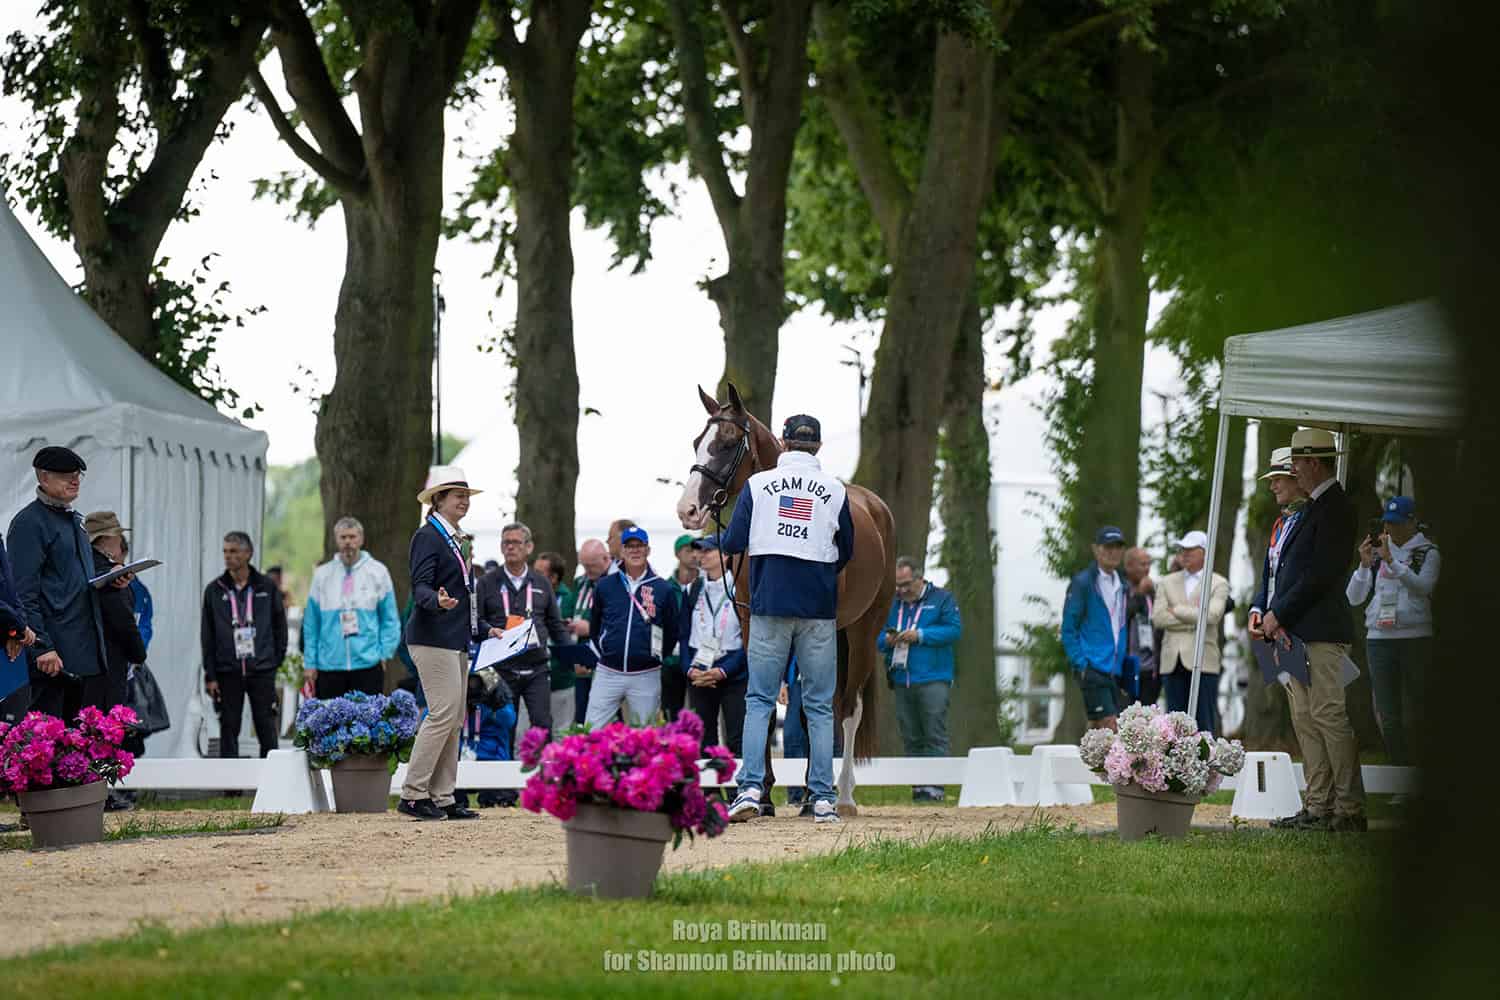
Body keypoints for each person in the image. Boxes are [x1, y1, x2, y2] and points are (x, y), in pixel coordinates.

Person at [718, 414, 854, 825]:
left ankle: (751, 789)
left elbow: (733, 542)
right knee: (818, 705)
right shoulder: (835, 490)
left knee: (759, 700)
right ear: (818, 447)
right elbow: (845, 547)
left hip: (769, 605)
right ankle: (823, 795)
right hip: (816, 608)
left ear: (782, 441)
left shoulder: (758, 486)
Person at [1250, 429, 1364, 832]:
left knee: (1329, 715)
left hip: (1319, 629)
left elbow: (1319, 574)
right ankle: (1319, 804)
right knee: (1306, 717)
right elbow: (1287, 571)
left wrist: (1277, 612)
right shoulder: (1314, 508)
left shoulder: (1334, 507)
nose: (1293, 470)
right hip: (1298, 630)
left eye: (1297, 462)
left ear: (1314, 463)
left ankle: (1348, 808)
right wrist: (1273, 613)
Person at [399, 467, 484, 821]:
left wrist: (486, 626)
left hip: (454, 637)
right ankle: (413, 793)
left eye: (466, 495)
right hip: (432, 637)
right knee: (442, 713)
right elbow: (419, 586)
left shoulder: (456, 538)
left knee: (453, 718)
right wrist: (438, 600)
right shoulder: (428, 537)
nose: (464, 501)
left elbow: (465, 592)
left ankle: (443, 795)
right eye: (456, 495)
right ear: (438, 500)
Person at [7, 446, 112, 720]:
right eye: (66, 475)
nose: (75, 480)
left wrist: (114, 577)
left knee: (78, 748)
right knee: (47, 744)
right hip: (53, 656)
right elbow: (22, 593)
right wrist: (42, 646)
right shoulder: (29, 523)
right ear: (43, 478)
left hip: (83, 651)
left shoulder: (75, 521)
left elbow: (78, 578)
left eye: (77, 475)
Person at [1345, 495, 1438, 768]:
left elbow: (1424, 587)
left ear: (1412, 522)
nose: (1392, 530)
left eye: (1398, 524)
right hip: (1379, 638)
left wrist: (1393, 563)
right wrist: (1364, 565)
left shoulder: (1428, 552)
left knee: (1417, 707)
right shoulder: (1377, 553)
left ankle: (1421, 770)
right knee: (1387, 710)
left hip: (1415, 637)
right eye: (1388, 524)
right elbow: (1353, 597)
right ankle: (1399, 770)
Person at [877, 556, 962, 802]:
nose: (901, 590)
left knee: (934, 732)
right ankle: (918, 788)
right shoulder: (893, 603)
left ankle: (935, 788)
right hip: (902, 677)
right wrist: (887, 640)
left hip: (934, 677)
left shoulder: (942, 599)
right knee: (911, 735)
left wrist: (921, 635)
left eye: (906, 584)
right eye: (897, 585)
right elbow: (877, 635)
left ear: (919, 577)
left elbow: (954, 630)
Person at [476, 522, 569, 738]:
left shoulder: (542, 582)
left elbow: (555, 624)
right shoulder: (487, 583)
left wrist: (570, 654)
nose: (510, 547)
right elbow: (476, 621)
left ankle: (544, 771)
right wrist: (489, 630)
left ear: (529, 547)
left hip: (536, 668)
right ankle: (500, 771)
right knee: (502, 726)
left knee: (543, 724)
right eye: (506, 542)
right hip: (501, 669)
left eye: (516, 542)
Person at [201, 531, 288, 760]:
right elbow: (207, 636)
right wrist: (210, 674)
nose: (228, 557)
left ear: (248, 553)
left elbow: (280, 627)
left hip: (261, 669)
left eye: (234, 551)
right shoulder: (214, 590)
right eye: (225, 551)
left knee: (265, 725)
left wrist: (273, 660)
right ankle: (230, 785)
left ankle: (269, 780)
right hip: (227, 670)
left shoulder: (267, 587)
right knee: (229, 726)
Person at [83, 511, 147, 811]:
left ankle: (92, 791)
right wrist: (139, 653)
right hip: (110, 663)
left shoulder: (81, 567)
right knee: (106, 732)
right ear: (108, 540)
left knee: (87, 727)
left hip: (87, 661)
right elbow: (122, 619)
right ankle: (102, 793)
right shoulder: (108, 575)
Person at [585, 527, 678, 728]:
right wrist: (606, 650)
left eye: (640, 546)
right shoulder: (605, 585)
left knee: (646, 736)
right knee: (591, 731)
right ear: (621, 551)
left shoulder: (663, 588)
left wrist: (654, 656)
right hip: (608, 672)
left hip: (646, 674)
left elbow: (672, 631)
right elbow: (595, 626)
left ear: (648, 550)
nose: (635, 551)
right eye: (629, 546)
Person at [302, 517, 402, 699]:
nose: (348, 542)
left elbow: (390, 618)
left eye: (352, 537)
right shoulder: (322, 574)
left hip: (368, 664)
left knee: (367, 722)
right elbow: (311, 624)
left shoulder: (378, 572)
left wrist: (384, 653)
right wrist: (310, 661)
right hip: (329, 665)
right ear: (336, 540)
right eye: (343, 537)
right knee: (330, 724)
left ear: (361, 539)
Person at [678, 537, 746, 793]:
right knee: (705, 736)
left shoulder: (740, 589)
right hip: (700, 670)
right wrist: (689, 668)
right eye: (699, 551)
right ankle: (710, 793)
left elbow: (748, 640)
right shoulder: (692, 590)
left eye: (708, 550)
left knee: (736, 735)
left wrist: (725, 670)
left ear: (725, 556)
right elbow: (683, 635)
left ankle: (740, 794)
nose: (702, 555)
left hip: (733, 671)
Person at [1152, 530, 1231, 735]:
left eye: (1190, 550)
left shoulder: (1218, 582)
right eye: (1182, 550)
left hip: (1204, 660)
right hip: (1172, 661)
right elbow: (1158, 618)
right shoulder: (1166, 581)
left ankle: (1206, 766)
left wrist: (1177, 611)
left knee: (1204, 723)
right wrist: (1195, 618)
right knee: (1173, 728)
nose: (1184, 554)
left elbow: (1212, 616)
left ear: (1205, 552)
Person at [1061, 526, 1130, 731]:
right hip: (1092, 665)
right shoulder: (1083, 583)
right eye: (1107, 547)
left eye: (1117, 547)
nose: (1113, 552)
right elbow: (1068, 628)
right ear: (1096, 549)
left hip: (1115, 668)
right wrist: (1081, 664)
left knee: (1099, 728)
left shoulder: (1123, 585)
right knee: (1110, 726)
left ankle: (1086, 762)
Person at [533, 551, 577, 729]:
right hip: (535, 676)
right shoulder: (529, 595)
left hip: (561, 677)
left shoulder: (568, 599)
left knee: (561, 730)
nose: (532, 576)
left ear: (553, 578)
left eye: (539, 573)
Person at [568, 539, 609, 725]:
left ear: (606, 559)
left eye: (592, 565)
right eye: (585, 566)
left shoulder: (614, 583)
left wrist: (590, 627)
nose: (588, 570)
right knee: (581, 716)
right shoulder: (580, 583)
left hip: (604, 659)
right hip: (580, 657)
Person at [659, 533, 700, 721]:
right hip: (670, 661)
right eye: (688, 550)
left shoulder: (706, 585)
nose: (693, 555)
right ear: (677, 554)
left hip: (698, 660)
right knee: (671, 715)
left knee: (699, 715)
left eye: (696, 550)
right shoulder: (666, 588)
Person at [1123, 546, 1160, 707]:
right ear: (1129, 566)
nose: (1146, 569)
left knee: (1149, 716)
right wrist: (1139, 594)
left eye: (1148, 564)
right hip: (1130, 665)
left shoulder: (1152, 591)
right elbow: (1123, 617)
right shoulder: (1122, 589)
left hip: (1151, 666)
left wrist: (1153, 594)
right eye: (1142, 564)